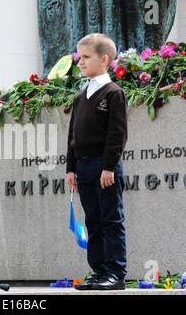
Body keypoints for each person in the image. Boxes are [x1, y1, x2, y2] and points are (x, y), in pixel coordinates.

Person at [66, 33, 128, 290]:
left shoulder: (113, 93)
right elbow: (72, 136)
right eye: (79, 57)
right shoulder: (81, 96)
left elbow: (117, 133)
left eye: (86, 57)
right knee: (92, 219)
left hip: (104, 166)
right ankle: (99, 270)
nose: (80, 62)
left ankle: (115, 273)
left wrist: (109, 166)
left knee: (111, 219)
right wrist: (71, 168)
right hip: (83, 166)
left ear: (104, 60)